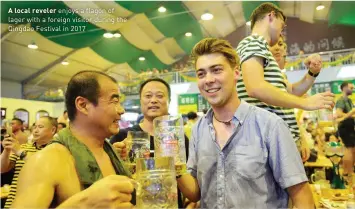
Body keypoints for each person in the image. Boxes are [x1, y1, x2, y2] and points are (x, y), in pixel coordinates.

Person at [177, 37, 314, 208]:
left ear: (236, 73)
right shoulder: (199, 129)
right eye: (201, 73)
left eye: (216, 70)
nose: (208, 79)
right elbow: (196, 192)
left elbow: (301, 194)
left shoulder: (269, 126)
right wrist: (172, 161)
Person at [11, 71, 134, 208]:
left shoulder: (110, 152)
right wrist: (84, 204)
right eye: (114, 101)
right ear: (83, 105)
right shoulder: (46, 161)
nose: (121, 110)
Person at [236, 3, 334, 161]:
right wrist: (305, 103)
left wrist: (312, 73)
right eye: (282, 25)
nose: (283, 31)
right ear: (271, 16)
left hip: (278, 142)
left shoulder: (263, 51)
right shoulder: (253, 42)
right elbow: (255, 87)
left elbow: (292, 91)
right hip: (270, 143)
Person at [110, 77, 189, 208]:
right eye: (148, 96)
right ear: (140, 101)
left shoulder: (178, 138)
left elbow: (188, 179)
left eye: (160, 96)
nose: (153, 100)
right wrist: (115, 155)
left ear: (169, 100)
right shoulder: (124, 136)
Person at [1, 116, 57, 208]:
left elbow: (44, 168)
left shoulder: (57, 149)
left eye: (40, 127)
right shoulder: (24, 147)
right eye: (34, 127)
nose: (35, 130)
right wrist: (7, 150)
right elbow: (2, 169)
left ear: (53, 130)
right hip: (12, 203)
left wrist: (19, 152)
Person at [335, 81, 355, 185]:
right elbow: (338, 114)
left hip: (350, 127)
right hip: (344, 127)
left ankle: (350, 172)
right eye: (351, 88)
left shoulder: (350, 101)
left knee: (352, 150)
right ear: (344, 88)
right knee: (349, 149)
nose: (352, 89)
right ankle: (347, 173)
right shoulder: (341, 100)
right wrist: (351, 114)